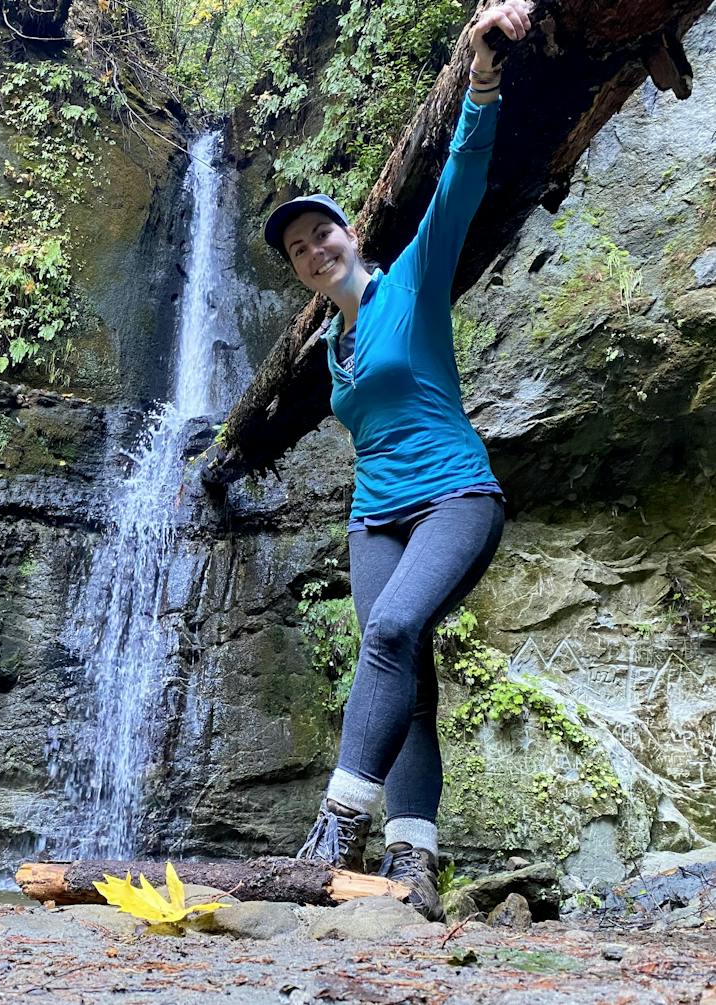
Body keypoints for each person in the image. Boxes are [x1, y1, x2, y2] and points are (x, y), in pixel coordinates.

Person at [261, 0, 533, 921]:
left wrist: (480, 74)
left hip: (456, 494)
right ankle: (414, 863)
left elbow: (460, 177)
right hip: (373, 517)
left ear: (352, 234)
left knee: (388, 633)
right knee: (404, 678)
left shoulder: (408, 282)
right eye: (297, 251)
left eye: (321, 236)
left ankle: (337, 826)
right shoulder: (329, 349)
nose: (311, 252)